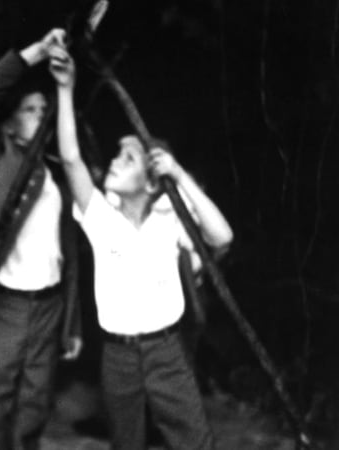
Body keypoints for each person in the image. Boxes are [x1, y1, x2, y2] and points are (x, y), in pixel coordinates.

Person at [52, 37, 233, 450]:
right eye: (118, 154)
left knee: (195, 441)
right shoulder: (101, 219)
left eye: (129, 158)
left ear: (151, 185)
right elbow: (72, 159)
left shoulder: (170, 219)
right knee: (126, 442)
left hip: (167, 350)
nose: (115, 160)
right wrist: (65, 89)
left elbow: (222, 236)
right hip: (118, 355)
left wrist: (178, 174)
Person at [0, 28, 83, 450]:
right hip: (0, 306)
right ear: (8, 123)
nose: (40, 116)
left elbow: (69, 255)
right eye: (29, 109)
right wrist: (38, 52)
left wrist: (71, 322)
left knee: (34, 409)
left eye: (44, 109)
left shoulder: (56, 173)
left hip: (48, 306)